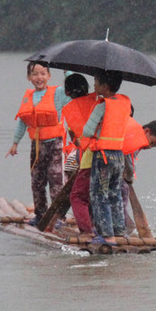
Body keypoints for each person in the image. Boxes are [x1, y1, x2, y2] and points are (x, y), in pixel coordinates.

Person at [7, 61, 68, 226]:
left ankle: (58, 217)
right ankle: (40, 215)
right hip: (37, 145)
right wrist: (15, 143)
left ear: (49, 76)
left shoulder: (59, 93)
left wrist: (67, 72)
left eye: (43, 73)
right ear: (29, 77)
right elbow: (22, 121)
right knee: (37, 181)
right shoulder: (29, 96)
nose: (39, 77)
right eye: (35, 74)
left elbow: (72, 92)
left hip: (55, 144)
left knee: (56, 180)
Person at [81, 71, 132, 245]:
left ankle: (107, 235)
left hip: (103, 156)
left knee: (99, 194)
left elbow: (87, 130)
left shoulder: (102, 106)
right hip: (119, 155)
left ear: (104, 86)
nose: (94, 85)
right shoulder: (124, 103)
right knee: (115, 193)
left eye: (96, 81)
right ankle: (120, 232)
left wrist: (96, 130)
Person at [61, 73, 97, 234]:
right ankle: (106, 229)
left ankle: (87, 231)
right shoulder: (99, 101)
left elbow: (76, 141)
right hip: (111, 155)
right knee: (100, 194)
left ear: (67, 93)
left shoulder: (70, 109)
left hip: (89, 157)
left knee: (78, 196)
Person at [121, 119, 156, 237]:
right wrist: (129, 176)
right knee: (121, 194)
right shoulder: (136, 137)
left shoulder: (134, 134)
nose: (149, 147)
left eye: (154, 146)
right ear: (147, 131)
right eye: (151, 143)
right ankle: (123, 227)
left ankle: (123, 225)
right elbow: (128, 159)